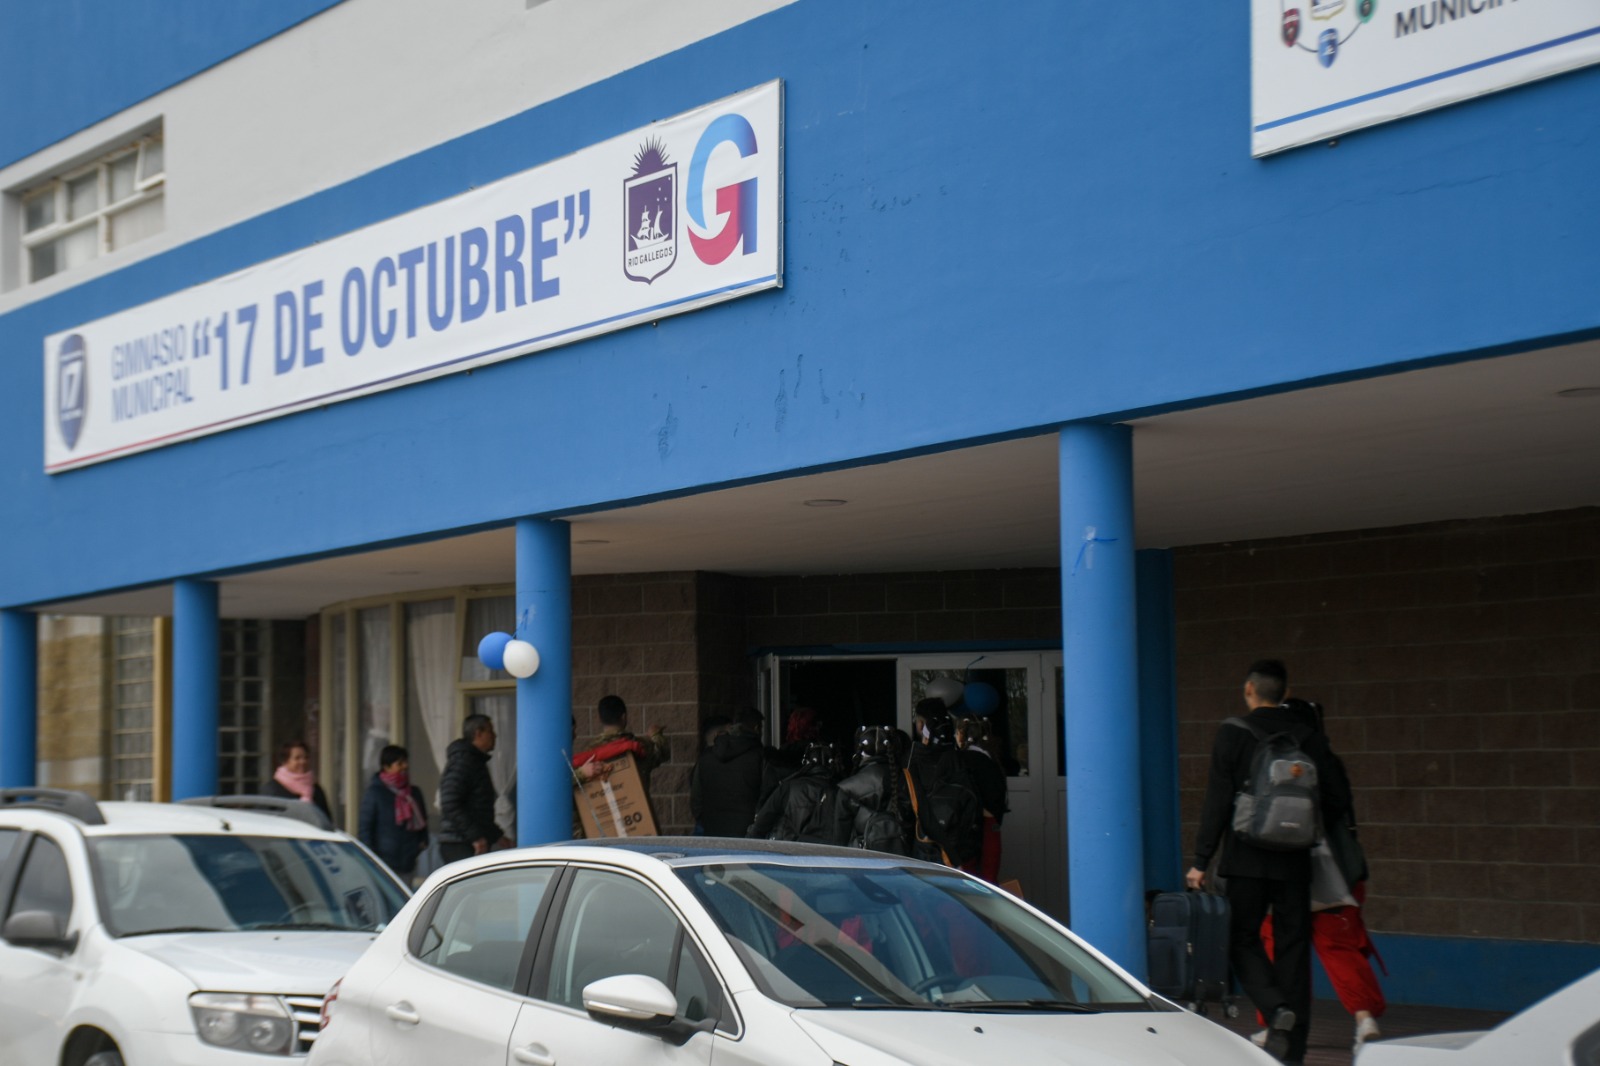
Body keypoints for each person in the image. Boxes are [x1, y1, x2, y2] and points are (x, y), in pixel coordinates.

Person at [1186, 661, 1347, 1064]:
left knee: (1240, 939)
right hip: (1295, 862)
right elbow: (1336, 799)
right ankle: (1294, 1051)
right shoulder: (1309, 737)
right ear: (1285, 691)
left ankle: (1276, 1010)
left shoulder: (1233, 733)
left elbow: (1218, 800)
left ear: (1249, 690)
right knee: (1294, 949)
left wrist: (1201, 860)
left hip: (1245, 860)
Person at [1255, 697, 1386, 1055]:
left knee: (1275, 944)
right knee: (1339, 947)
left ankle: (1273, 1025)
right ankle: (1365, 1022)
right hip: (1333, 873)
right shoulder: (1327, 761)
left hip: (1282, 868)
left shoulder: (1274, 760)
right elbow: (1340, 808)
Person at [905, 698, 984, 871]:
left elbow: (918, 811)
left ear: (921, 725)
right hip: (962, 848)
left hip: (925, 846)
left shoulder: (913, 760)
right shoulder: (960, 760)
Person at [438, 714, 511, 864]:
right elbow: (450, 802)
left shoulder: (474, 761)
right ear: (478, 733)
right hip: (460, 843)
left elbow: (478, 809)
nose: (495, 736)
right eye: (490, 731)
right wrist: (475, 837)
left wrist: (496, 836)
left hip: (467, 840)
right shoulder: (463, 762)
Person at [692, 708, 771, 838]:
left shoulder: (706, 757)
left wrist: (706, 821)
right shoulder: (761, 758)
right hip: (748, 836)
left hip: (712, 832)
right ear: (757, 728)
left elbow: (696, 800)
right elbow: (768, 799)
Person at [835, 725, 912, 854]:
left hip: (860, 860)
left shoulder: (846, 788)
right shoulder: (906, 779)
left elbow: (839, 840)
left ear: (860, 752)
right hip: (901, 858)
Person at [357, 744, 429, 882]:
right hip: (384, 863)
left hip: (409, 860)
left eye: (405, 762)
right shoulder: (375, 793)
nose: (405, 766)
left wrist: (422, 842)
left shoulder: (414, 793)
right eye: (399, 763)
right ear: (387, 767)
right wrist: (372, 859)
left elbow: (423, 822)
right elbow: (365, 829)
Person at [748, 741, 843, 844]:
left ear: (805, 763)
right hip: (829, 856)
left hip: (788, 854)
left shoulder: (788, 788)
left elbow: (761, 824)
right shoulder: (840, 792)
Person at [955, 714, 1008, 882]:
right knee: (989, 881)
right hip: (992, 828)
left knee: (968, 883)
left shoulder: (962, 760)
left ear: (962, 734)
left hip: (970, 831)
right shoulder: (992, 760)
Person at [581, 694, 670, 791]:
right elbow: (663, 753)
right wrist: (656, 735)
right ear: (624, 717)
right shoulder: (640, 745)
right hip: (638, 805)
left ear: (599, 718)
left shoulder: (589, 751)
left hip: (602, 804)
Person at [264, 738, 332, 821]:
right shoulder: (272, 790)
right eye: (297, 758)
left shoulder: (316, 789)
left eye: (306, 757)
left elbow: (327, 819)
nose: (303, 761)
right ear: (285, 761)